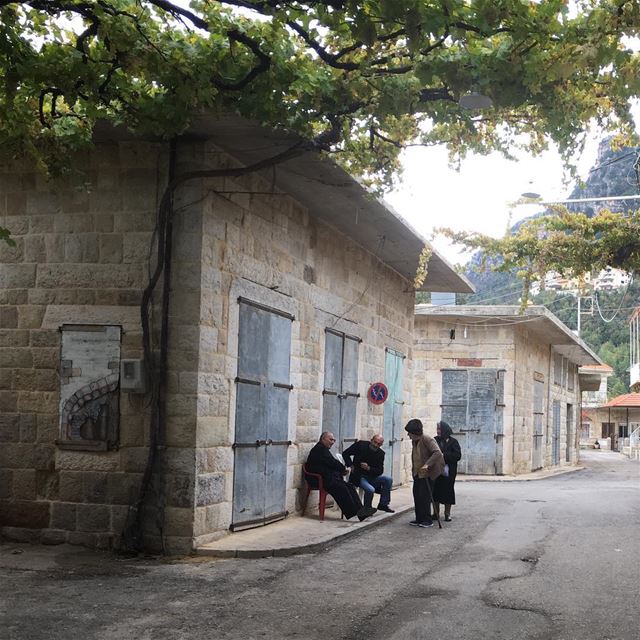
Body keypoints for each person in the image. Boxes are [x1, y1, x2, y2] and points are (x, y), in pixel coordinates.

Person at [306, 432, 376, 521]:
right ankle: (355, 512)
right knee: (342, 488)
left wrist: (340, 471)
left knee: (350, 486)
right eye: (330, 439)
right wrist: (343, 469)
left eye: (334, 440)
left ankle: (361, 511)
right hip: (318, 480)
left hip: (326, 478)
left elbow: (330, 463)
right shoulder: (320, 449)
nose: (333, 442)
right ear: (323, 439)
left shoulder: (323, 449)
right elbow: (332, 462)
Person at [404, 418, 444, 528]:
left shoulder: (427, 439)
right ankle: (419, 518)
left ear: (415, 432)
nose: (408, 435)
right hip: (418, 472)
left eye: (409, 432)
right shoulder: (414, 440)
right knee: (417, 495)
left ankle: (427, 520)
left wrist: (427, 464)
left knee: (425, 496)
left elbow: (437, 453)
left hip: (428, 473)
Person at [342, 434, 395, 513]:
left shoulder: (380, 454)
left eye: (378, 444)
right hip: (359, 476)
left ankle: (383, 504)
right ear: (371, 440)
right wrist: (351, 465)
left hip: (372, 477)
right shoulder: (361, 445)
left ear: (381, 445)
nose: (376, 445)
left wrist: (369, 468)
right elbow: (345, 453)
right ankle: (367, 508)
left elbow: (380, 471)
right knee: (370, 489)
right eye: (375, 442)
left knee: (388, 479)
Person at [433, 420, 462, 522]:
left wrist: (444, 455)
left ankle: (447, 513)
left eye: (439, 429)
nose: (438, 431)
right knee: (435, 491)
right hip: (436, 471)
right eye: (437, 429)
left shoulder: (453, 442)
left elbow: (457, 455)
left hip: (448, 472)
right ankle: (435, 513)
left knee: (448, 492)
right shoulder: (435, 440)